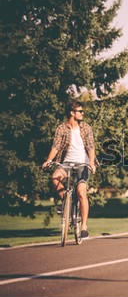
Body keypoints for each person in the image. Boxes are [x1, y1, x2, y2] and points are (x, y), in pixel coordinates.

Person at [42, 101, 97, 239]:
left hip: (83, 164)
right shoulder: (62, 128)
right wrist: (49, 160)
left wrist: (91, 163)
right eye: (80, 111)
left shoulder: (86, 128)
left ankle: (84, 227)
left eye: (82, 111)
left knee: (81, 192)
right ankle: (68, 202)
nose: (82, 113)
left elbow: (91, 147)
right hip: (67, 163)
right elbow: (55, 146)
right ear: (72, 113)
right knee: (55, 177)